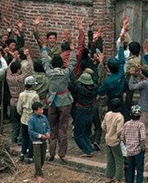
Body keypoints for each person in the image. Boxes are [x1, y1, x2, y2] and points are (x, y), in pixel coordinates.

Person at [41, 32, 77, 163]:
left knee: (52, 128)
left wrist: (44, 48)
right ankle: (62, 154)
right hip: (65, 102)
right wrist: (72, 49)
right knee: (63, 128)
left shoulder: (49, 73)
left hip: (52, 102)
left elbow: (44, 61)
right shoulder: (65, 73)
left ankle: (51, 152)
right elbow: (73, 62)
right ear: (62, 63)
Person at [6, 49, 33, 144]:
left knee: (14, 123)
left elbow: (9, 68)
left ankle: (13, 139)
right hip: (21, 101)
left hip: (12, 100)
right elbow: (29, 69)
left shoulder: (8, 77)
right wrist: (28, 56)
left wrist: (14, 58)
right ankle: (21, 140)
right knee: (22, 121)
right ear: (18, 69)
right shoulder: (21, 78)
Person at [121, 105, 148, 183]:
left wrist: (127, 145)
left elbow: (122, 137)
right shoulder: (140, 125)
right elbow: (142, 138)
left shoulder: (126, 124)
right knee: (140, 171)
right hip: (138, 151)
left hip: (129, 151)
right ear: (140, 115)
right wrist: (144, 147)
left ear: (130, 114)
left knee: (131, 170)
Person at [71, 69, 97, 157]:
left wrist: (69, 69)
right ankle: (89, 147)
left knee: (78, 134)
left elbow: (74, 82)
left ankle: (88, 150)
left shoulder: (81, 89)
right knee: (86, 132)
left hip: (81, 112)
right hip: (90, 112)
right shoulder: (94, 89)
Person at [17, 76, 41, 163]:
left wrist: (22, 114)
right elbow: (37, 108)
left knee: (24, 137)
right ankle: (30, 156)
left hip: (24, 118)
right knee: (32, 138)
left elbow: (19, 108)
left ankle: (22, 153)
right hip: (33, 120)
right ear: (32, 85)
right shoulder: (35, 96)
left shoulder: (21, 95)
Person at [102, 98, 125, 183]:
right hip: (115, 141)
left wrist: (108, 132)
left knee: (110, 158)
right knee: (119, 160)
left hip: (107, 139)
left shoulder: (108, 114)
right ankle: (118, 179)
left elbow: (103, 125)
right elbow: (120, 131)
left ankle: (108, 176)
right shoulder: (120, 117)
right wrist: (121, 139)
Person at [128, 65, 148, 133]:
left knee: (143, 128)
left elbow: (131, 87)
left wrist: (131, 75)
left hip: (144, 106)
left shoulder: (144, 83)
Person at [28, 101, 50, 182]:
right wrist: (40, 135)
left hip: (44, 141)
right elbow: (30, 131)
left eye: (42, 109)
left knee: (42, 157)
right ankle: (39, 174)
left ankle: (38, 171)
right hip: (36, 141)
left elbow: (48, 127)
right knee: (37, 158)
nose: (42, 111)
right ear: (35, 111)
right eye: (40, 110)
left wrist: (47, 133)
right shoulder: (31, 119)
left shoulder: (44, 117)